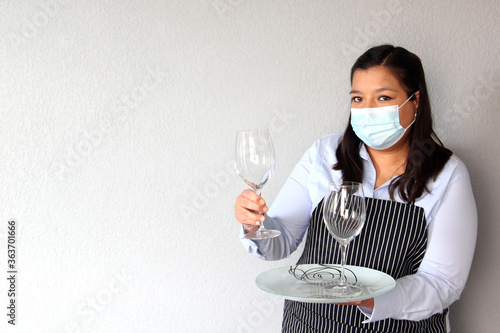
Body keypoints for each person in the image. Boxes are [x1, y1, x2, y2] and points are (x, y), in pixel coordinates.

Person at [234, 44, 477, 332]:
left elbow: (442, 282)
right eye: (358, 98)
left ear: (415, 101)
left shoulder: (448, 175)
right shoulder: (324, 154)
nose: (368, 110)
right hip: (311, 323)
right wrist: (253, 223)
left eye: (384, 97)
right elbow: (280, 240)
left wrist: (373, 300)